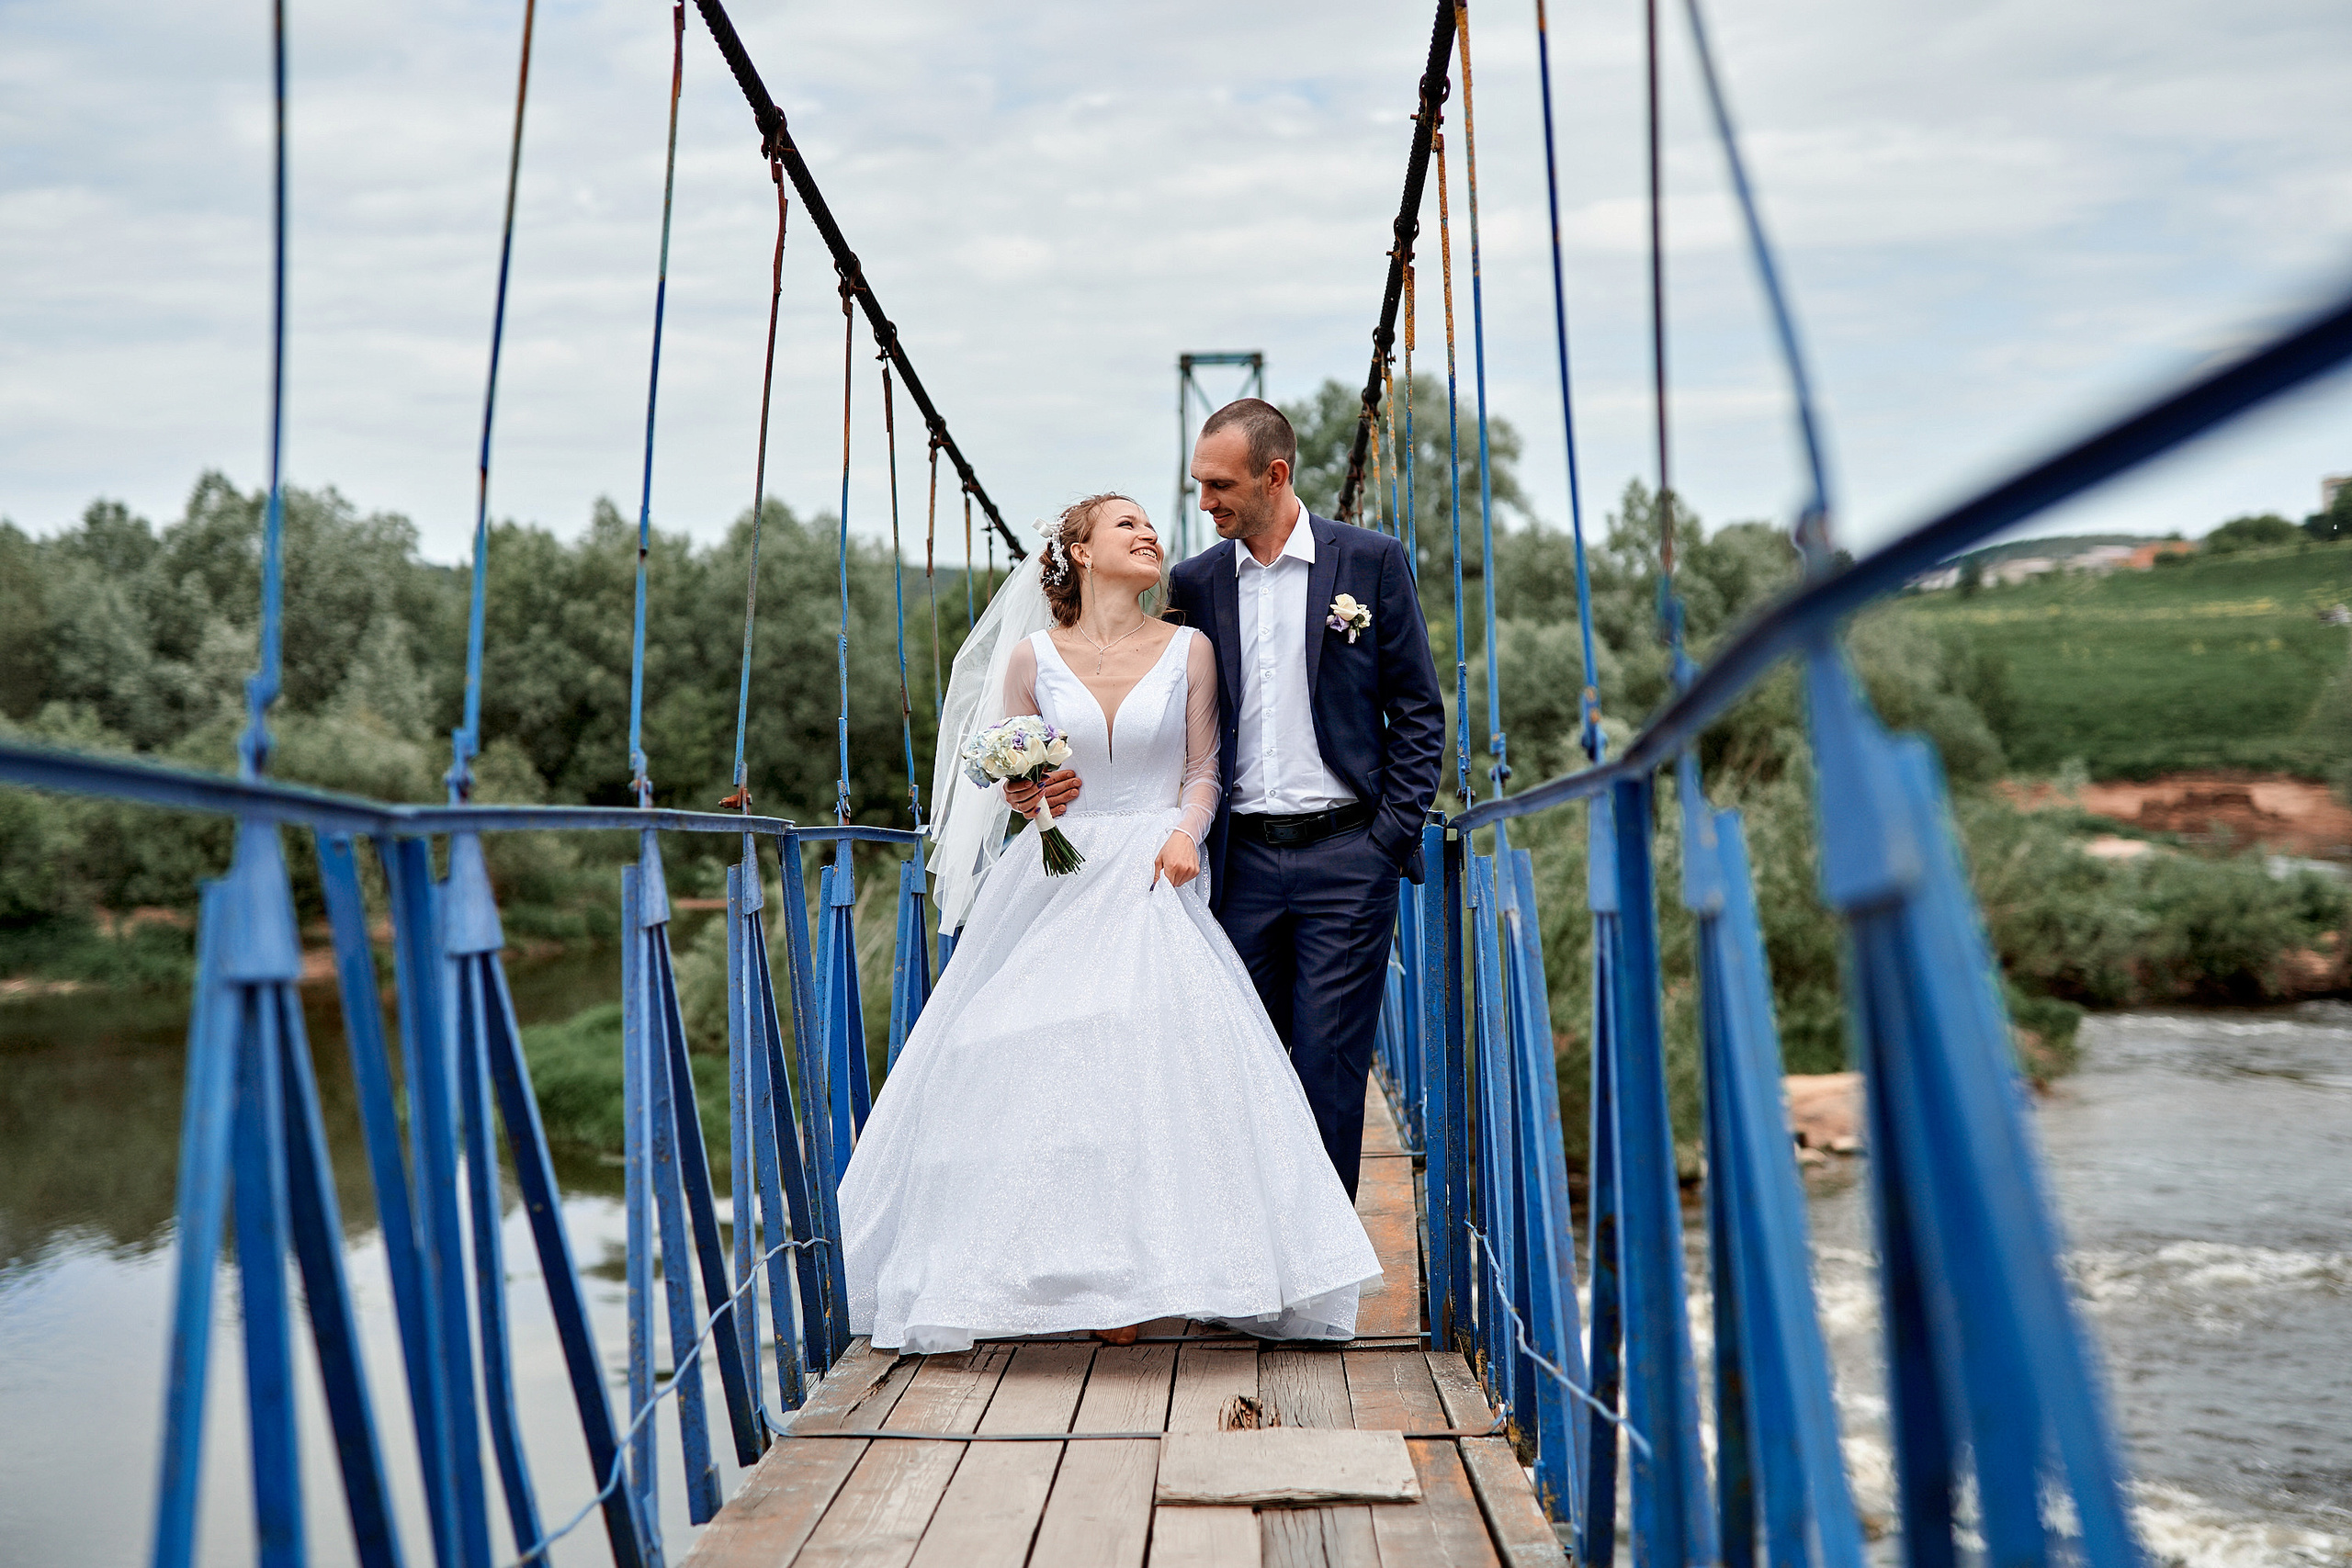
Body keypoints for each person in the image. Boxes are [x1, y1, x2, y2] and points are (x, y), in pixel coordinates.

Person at [839, 493, 1380, 1354]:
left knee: (1155, 1046)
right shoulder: (1030, 658)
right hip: (1058, 872)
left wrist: (1184, 836)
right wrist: (1026, 793)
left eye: (1149, 524)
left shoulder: (1191, 648)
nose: (1148, 532)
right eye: (1124, 524)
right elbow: (1013, 779)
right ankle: (1067, 1273)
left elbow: (1205, 768)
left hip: (1155, 865)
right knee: (1023, 1045)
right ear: (1081, 553)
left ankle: (1145, 1277)